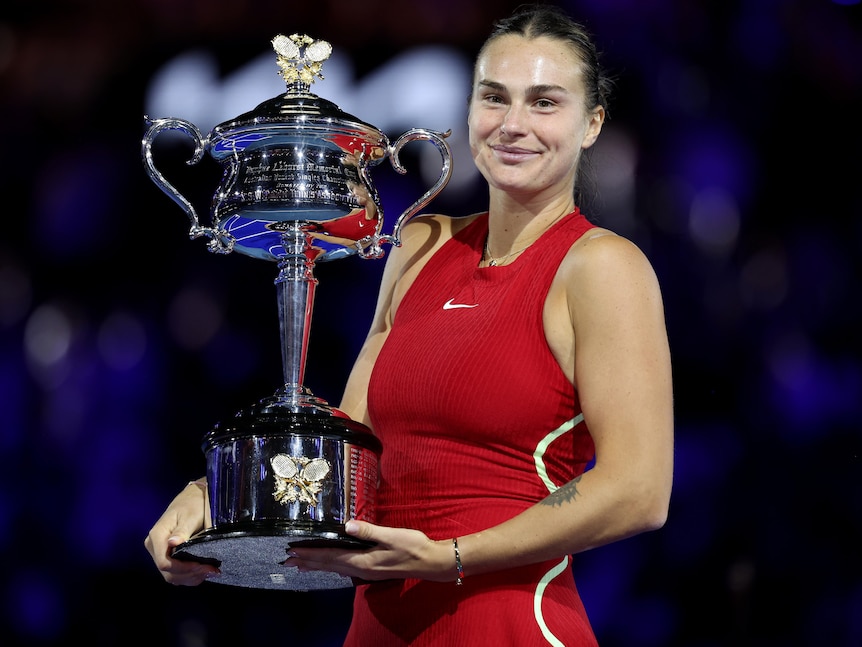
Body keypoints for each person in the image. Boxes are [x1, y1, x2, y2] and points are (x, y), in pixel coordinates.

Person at [145, 4, 674, 645]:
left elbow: (638, 490)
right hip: (379, 626)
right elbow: (346, 457)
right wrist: (212, 496)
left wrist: (450, 556)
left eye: (544, 103)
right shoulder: (419, 244)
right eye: (494, 98)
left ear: (591, 124)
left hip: (508, 624)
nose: (512, 125)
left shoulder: (601, 266)